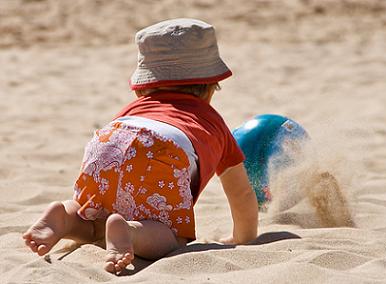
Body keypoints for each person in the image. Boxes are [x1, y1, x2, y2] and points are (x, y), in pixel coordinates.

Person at [22, 18, 258, 275]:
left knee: (93, 220)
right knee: (170, 237)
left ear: (142, 88)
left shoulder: (133, 108)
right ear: (212, 87)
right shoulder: (213, 123)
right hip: (165, 146)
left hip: (108, 139)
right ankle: (130, 233)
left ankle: (66, 216)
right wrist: (244, 238)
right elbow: (241, 194)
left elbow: (126, 151)